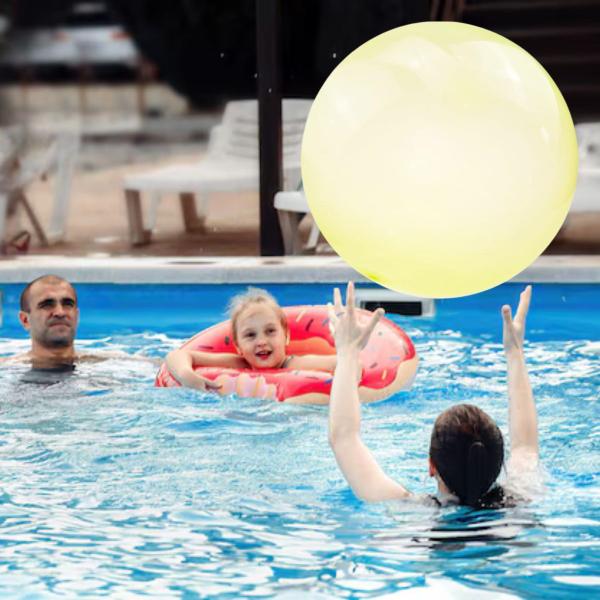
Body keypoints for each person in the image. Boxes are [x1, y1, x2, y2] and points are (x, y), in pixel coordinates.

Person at [327, 281, 539, 508]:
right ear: (500, 464)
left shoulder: (414, 515)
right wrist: (515, 353)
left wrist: (348, 352)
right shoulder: (518, 502)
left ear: (431, 466)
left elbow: (344, 437)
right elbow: (525, 446)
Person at [166, 287, 339, 391]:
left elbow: (344, 363)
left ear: (286, 336)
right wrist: (185, 374)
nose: (261, 341)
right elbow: (177, 355)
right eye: (250, 335)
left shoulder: (295, 365)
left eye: (270, 331)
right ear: (238, 345)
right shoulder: (239, 364)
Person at [2, 274, 157, 369]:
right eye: (47, 304)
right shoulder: (7, 368)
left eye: (67, 304)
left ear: (76, 316)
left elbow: (164, 366)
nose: (60, 312)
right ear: (25, 320)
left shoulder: (114, 362)